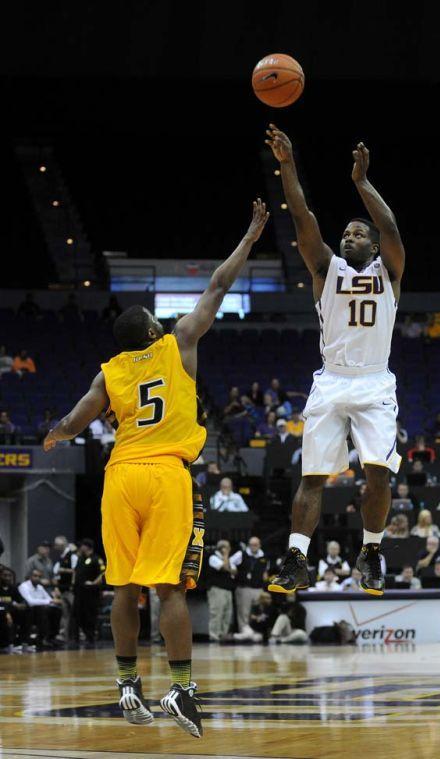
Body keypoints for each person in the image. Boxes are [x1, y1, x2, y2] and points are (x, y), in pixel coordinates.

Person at [42, 199, 270, 735]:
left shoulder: (110, 373)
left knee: (124, 587)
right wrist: (250, 237)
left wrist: (54, 434)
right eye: (155, 320)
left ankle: (127, 686)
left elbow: (76, 419)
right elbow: (217, 287)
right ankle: (182, 690)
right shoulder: (177, 343)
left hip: (120, 477)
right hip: (167, 474)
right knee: (169, 589)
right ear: (151, 332)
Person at [265, 127, 405, 598]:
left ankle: (370, 551)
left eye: (357, 232)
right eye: (346, 232)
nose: (350, 236)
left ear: (372, 245)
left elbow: (390, 228)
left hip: (374, 384)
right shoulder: (325, 269)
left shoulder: (391, 271)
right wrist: (287, 165)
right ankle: (297, 559)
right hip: (330, 381)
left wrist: (363, 183)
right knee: (312, 477)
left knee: (377, 474)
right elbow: (302, 216)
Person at [230, 536, 268, 633]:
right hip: (244, 588)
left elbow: (265, 571)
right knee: (243, 611)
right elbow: (230, 562)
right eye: (251, 545)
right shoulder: (241, 554)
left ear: (259, 545)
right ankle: (244, 631)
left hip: (258, 589)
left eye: (255, 545)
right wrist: (233, 571)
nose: (253, 547)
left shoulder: (264, 557)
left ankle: (256, 630)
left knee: (258, 610)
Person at [73, 538, 105, 646]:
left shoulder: (96, 559)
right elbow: (76, 572)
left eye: (82, 545)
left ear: (87, 546)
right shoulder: (80, 558)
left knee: (90, 615)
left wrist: (94, 583)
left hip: (91, 593)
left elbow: (102, 573)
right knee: (78, 615)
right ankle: (81, 636)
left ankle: (91, 637)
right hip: (79, 592)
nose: (80, 547)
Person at [18, 569, 62, 647]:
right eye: (35, 576)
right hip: (28, 611)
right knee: (42, 610)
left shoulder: (40, 587)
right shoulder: (24, 586)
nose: (37, 578)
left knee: (56, 610)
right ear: (30, 577)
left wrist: (52, 601)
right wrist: (49, 601)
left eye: (39, 576)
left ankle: (51, 637)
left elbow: (49, 599)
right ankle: (41, 638)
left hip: (40, 610)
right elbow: (30, 602)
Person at [207, 540, 236, 642]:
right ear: (222, 548)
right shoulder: (213, 557)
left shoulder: (227, 559)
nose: (229, 549)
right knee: (217, 613)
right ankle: (214, 636)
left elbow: (233, 571)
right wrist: (226, 556)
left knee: (227, 613)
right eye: (227, 548)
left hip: (227, 590)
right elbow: (225, 567)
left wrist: (227, 561)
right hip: (217, 589)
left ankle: (223, 635)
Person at [53, 535, 78, 642]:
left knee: (75, 612)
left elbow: (75, 571)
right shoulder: (62, 556)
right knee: (65, 613)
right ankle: (64, 635)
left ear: (63, 544)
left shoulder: (72, 556)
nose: (56, 547)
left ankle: (79, 635)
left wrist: (63, 570)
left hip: (71, 589)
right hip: (62, 588)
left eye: (57, 545)